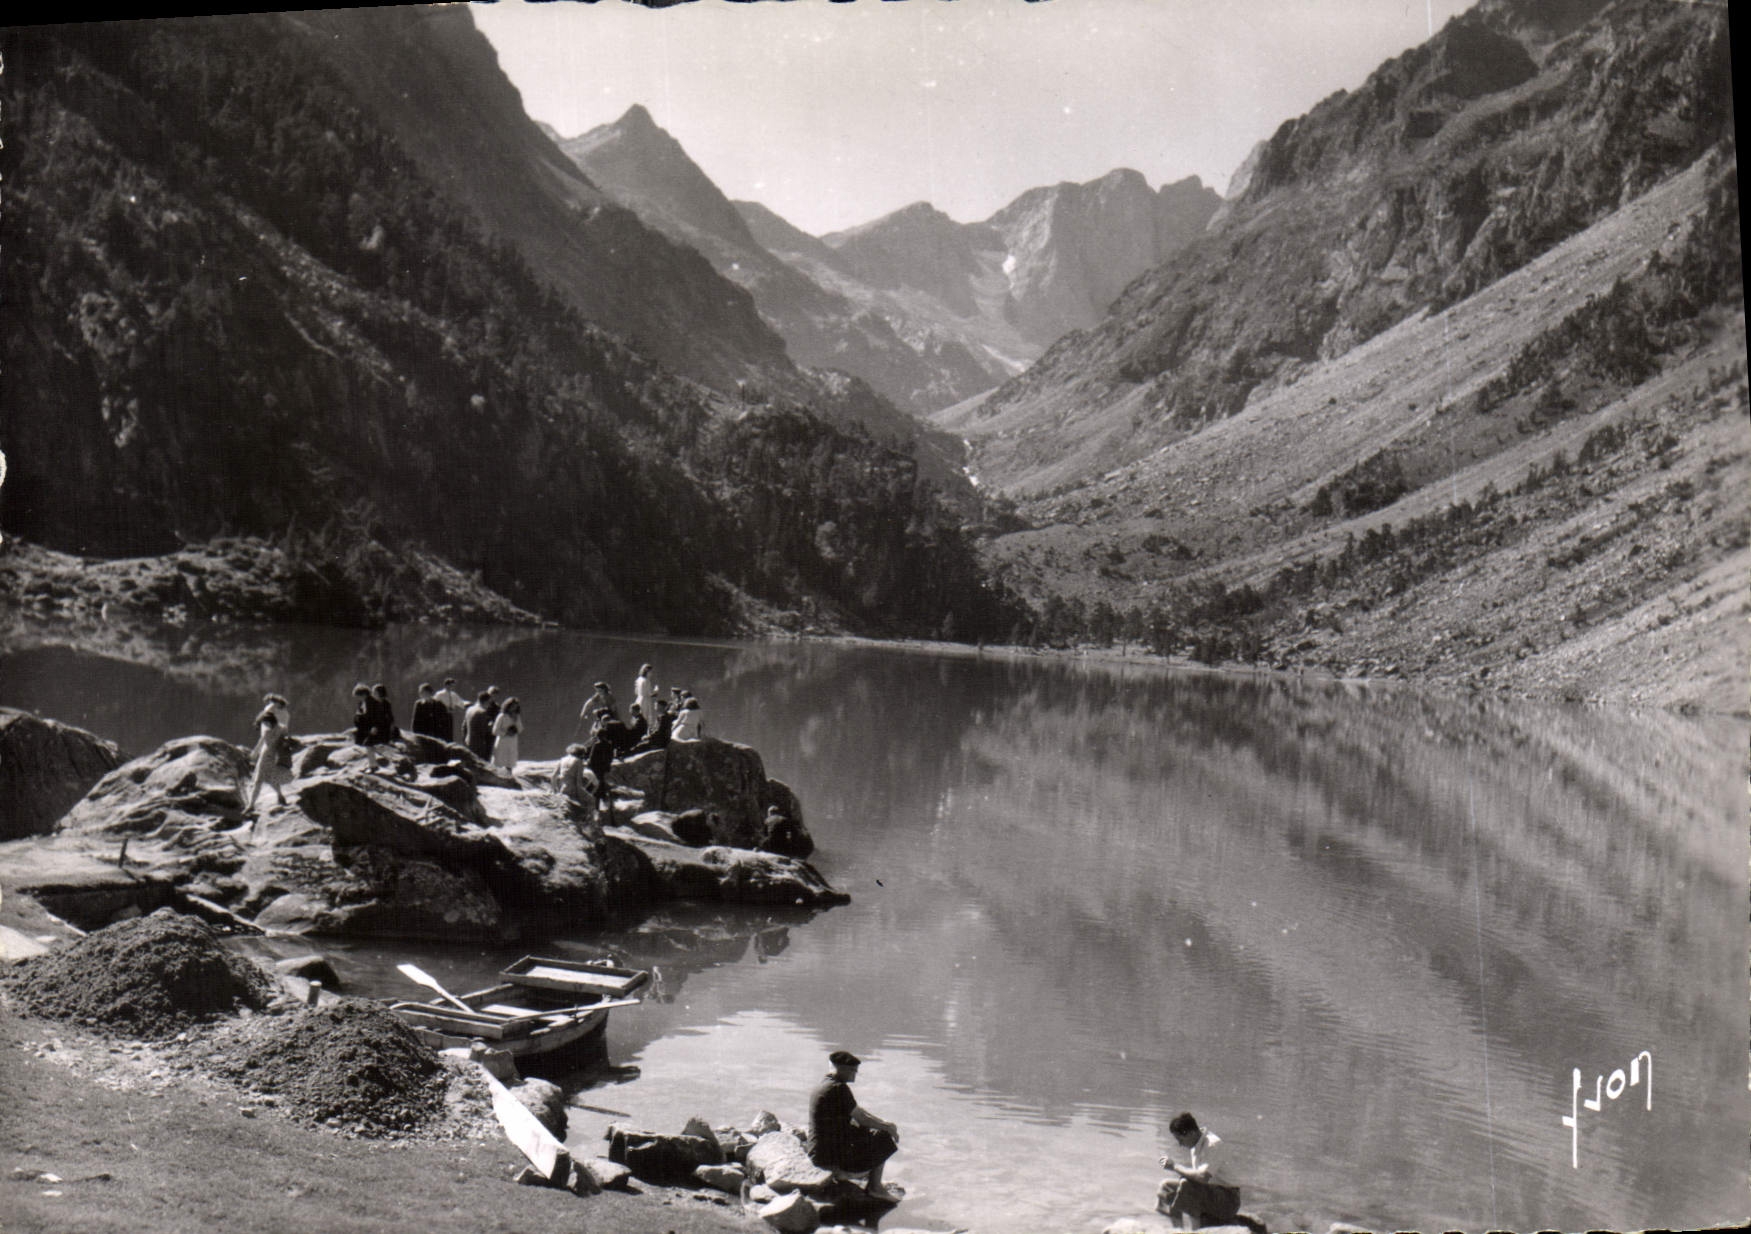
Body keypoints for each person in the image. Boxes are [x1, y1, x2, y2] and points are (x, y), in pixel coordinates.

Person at [806, 1050, 899, 1201]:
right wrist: (888, 1128)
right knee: (883, 1137)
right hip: (829, 1160)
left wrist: (883, 1123)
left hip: (817, 1153)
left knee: (866, 1130)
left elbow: (857, 1111)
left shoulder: (825, 1085)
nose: (855, 1075)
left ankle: (863, 1177)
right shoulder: (839, 1089)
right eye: (853, 1071)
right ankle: (875, 1187)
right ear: (841, 1069)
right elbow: (861, 1118)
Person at [1156, 1112, 1241, 1229]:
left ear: (1191, 1133)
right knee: (1166, 1186)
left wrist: (1174, 1166)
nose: (1180, 1144)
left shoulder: (1213, 1144)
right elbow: (1197, 1179)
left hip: (1228, 1200)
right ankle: (1178, 1230)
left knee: (1186, 1185)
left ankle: (1196, 1230)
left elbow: (1202, 1177)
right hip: (1211, 1193)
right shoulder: (1196, 1144)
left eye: (1180, 1139)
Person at [244, 705, 291, 817]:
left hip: (266, 757)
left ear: (270, 722)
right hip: (273, 756)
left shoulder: (269, 731)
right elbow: (285, 739)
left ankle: (251, 805)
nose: (265, 725)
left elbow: (261, 743)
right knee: (270, 778)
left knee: (258, 780)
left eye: (266, 723)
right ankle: (280, 796)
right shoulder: (282, 728)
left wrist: (254, 754)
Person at [585, 713, 618, 816]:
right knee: (601, 785)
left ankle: (595, 807)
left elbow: (592, 758)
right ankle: (604, 807)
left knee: (595, 786)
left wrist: (589, 765)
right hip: (604, 768)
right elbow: (611, 757)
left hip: (596, 768)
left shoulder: (597, 745)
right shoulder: (609, 745)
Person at [492, 697, 523, 774]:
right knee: (499, 762)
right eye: (512, 706)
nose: (513, 708)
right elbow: (495, 731)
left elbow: (520, 729)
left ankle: (509, 777)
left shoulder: (517, 716)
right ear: (508, 706)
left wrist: (515, 727)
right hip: (502, 742)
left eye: (515, 706)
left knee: (510, 762)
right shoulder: (502, 716)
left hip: (512, 742)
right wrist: (506, 732)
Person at [463, 690, 495, 761]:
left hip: (468, 742)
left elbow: (464, 726)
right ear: (485, 701)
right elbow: (483, 731)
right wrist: (490, 726)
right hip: (479, 745)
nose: (489, 705)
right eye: (489, 703)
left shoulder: (469, 709)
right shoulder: (482, 712)